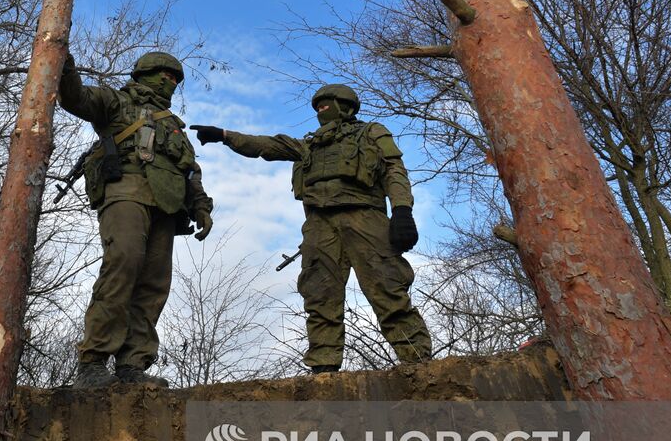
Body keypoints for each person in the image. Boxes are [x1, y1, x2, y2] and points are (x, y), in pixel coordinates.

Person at [190, 84, 431, 373]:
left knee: (388, 289)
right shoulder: (310, 144)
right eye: (317, 107)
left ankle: (420, 364)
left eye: (325, 104)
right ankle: (323, 368)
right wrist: (225, 136)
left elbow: (395, 171)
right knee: (319, 295)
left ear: (345, 105)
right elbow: (267, 146)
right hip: (319, 224)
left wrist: (402, 210)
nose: (320, 111)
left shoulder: (371, 133)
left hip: (365, 217)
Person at [59, 50, 213, 389]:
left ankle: (132, 364)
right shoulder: (115, 101)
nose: (170, 82)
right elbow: (75, 98)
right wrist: (64, 63)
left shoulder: (174, 126)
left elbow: (189, 170)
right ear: (145, 73)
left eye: (175, 79)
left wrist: (201, 206)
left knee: (153, 284)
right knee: (123, 263)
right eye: (165, 75)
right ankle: (93, 361)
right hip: (125, 192)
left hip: (167, 206)